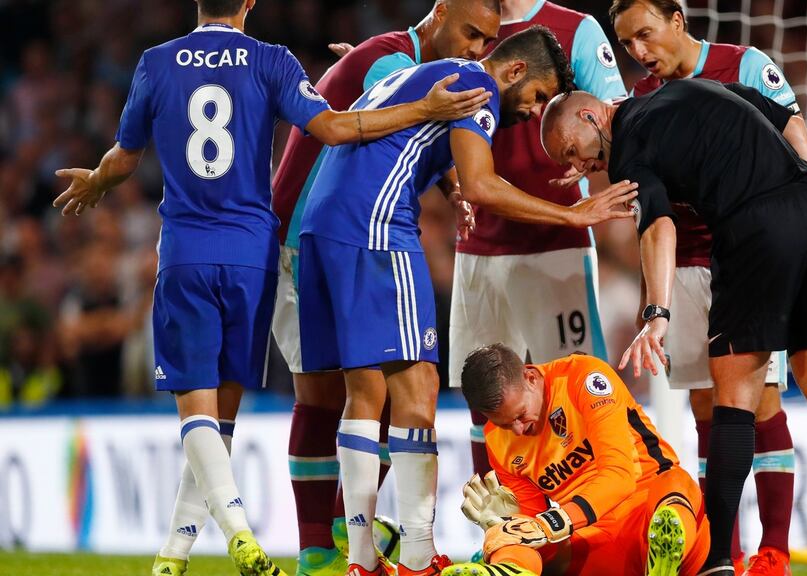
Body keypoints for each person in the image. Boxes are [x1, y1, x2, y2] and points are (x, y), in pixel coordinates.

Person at [51, 1, 493, 575]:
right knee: (269, 407)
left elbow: (124, 156)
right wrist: (420, 110)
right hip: (264, 250)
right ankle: (227, 549)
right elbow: (335, 127)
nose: (478, 48)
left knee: (208, 415)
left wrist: (97, 180)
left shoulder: (156, 62)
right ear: (250, 3)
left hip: (194, 250)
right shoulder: (277, 61)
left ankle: (239, 540)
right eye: (475, 35)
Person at [297, 25, 638, 576]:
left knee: (364, 390)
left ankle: (359, 560)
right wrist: (573, 213)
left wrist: (448, 180)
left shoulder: (426, 72)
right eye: (534, 101)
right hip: (377, 226)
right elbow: (483, 185)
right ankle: (416, 554)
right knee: (418, 385)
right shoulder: (477, 87)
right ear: (515, 72)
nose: (531, 116)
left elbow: (416, 152)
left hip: (322, 223)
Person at [540, 86, 807, 576]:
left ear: (592, 115)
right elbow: (785, 118)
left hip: (756, 229)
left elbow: (658, 227)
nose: (579, 166)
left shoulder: (629, 145)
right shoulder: (694, 88)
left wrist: (656, 313)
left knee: (731, 401)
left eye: (573, 151)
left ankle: (715, 560)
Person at [271, 2, 501, 574]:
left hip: (319, 235)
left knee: (361, 396)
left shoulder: (389, 62)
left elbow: (397, 131)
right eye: (470, 33)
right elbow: (371, 130)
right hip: (306, 238)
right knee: (330, 396)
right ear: (439, 11)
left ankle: (352, 540)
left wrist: (448, 188)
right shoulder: (391, 60)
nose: (476, 50)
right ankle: (320, 547)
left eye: (487, 42)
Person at [609, 1, 805, 572]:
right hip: (685, 264)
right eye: (628, 45)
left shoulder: (743, 66)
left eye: (645, 34)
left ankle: (773, 553)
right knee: (704, 411)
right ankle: (724, 551)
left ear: (677, 19)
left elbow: (793, 133)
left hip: (747, 259)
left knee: (759, 403)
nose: (640, 53)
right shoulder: (640, 100)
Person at [447, 0, 627, 481]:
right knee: (484, 398)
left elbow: (618, 118)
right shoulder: (462, 28)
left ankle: (588, 517)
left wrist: (601, 163)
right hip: (481, 244)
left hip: (557, 246)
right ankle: (500, 529)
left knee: (580, 387)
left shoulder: (578, 29)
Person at [446, 346, 708, 576]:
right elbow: (532, 523)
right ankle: (510, 569)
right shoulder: (496, 440)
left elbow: (620, 475)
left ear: (530, 377)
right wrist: (507, 526)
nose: (517, 430)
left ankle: (664, 553)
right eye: (504, 424)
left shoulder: (583, 377)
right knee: (506, 536)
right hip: (596, 543)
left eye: (520, 415)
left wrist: (550, 524)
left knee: (675, 482)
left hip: (648, 506)